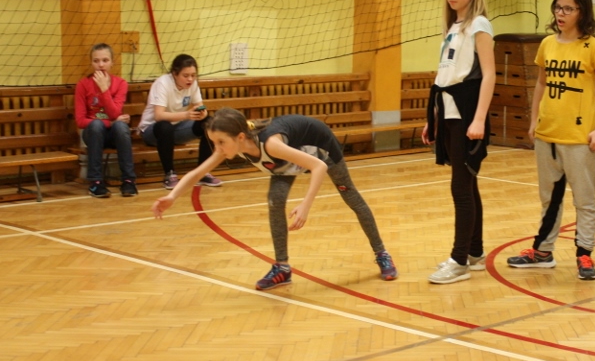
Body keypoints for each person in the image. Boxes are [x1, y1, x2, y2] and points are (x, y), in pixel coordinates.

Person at [151, 108, 398, 288]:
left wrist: (305, 205)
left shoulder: (271, 145)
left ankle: (382, 254)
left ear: (239, 137)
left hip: (320, 148)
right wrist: (172, 196)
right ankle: (282, 268)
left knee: (351, 197)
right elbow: (197, 173)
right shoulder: (233, 145)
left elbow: (319, 166)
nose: (218, 148)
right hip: (289, 157)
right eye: (214, 142)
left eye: (221, 142)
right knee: (275, 200)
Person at [506, 0, 595, 280]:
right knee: (549, 199)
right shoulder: (547, 44)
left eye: (568, 8)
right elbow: (541, 83)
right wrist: (534, 120)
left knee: (584, 200)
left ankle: (584, 254)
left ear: (582, 12)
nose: (561, 13)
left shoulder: (593, 47)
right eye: (558, 7)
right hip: (548, 135)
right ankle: (543, 251)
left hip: (579, 139)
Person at [423, 0, 496, 284]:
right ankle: (475, 252)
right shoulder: (454, 26)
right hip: (449, 112)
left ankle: (459, 260)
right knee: (468, 183)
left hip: (467, 114)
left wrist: (479, 119)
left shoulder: (479, 24)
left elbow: (489, 75)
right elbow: (446, 73)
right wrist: (434, 118)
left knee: (460, 187)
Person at [138, 54, 222, 190]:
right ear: (175, 74)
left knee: (209, 123)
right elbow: (159, 116)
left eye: (193, 75)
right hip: (152, 131)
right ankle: (170, 174)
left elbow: (201, 106)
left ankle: (202, 172)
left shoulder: (193, 84)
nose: (190, 79)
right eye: (186, 75)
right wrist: (186, 114)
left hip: (176, 129)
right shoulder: (162, 83)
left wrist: (202, 113)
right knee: (165, 126)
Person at [73, 43, 137, 198]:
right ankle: (95, 182)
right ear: (91, 63)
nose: (100, 65)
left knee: (121, 127)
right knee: (96, 125)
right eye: (96, 61)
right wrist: (110, 122)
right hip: (93, 133)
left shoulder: (121, 84)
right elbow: (80, 121)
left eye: (105, 60)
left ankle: (128, 181)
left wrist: (104, 89)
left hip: (113, 134)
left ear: (112, 62)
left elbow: (114, 113)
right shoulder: (83, 85)